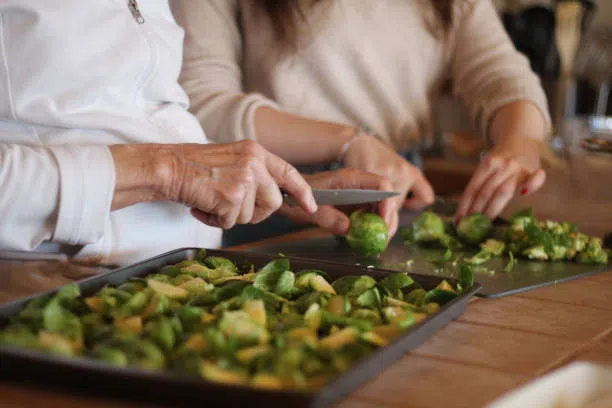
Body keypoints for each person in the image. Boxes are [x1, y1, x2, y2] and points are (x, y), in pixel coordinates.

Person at [0, 0, 395, 267]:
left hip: (181, 279)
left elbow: (135, 119)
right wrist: (170, 173)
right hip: (51, 293)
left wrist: (272, 189)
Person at [172, 0, 551, 244]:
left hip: (397, 192)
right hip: (269, 193)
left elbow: (501, 77)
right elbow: (204, 100)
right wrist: (351, 142)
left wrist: (522, 143)